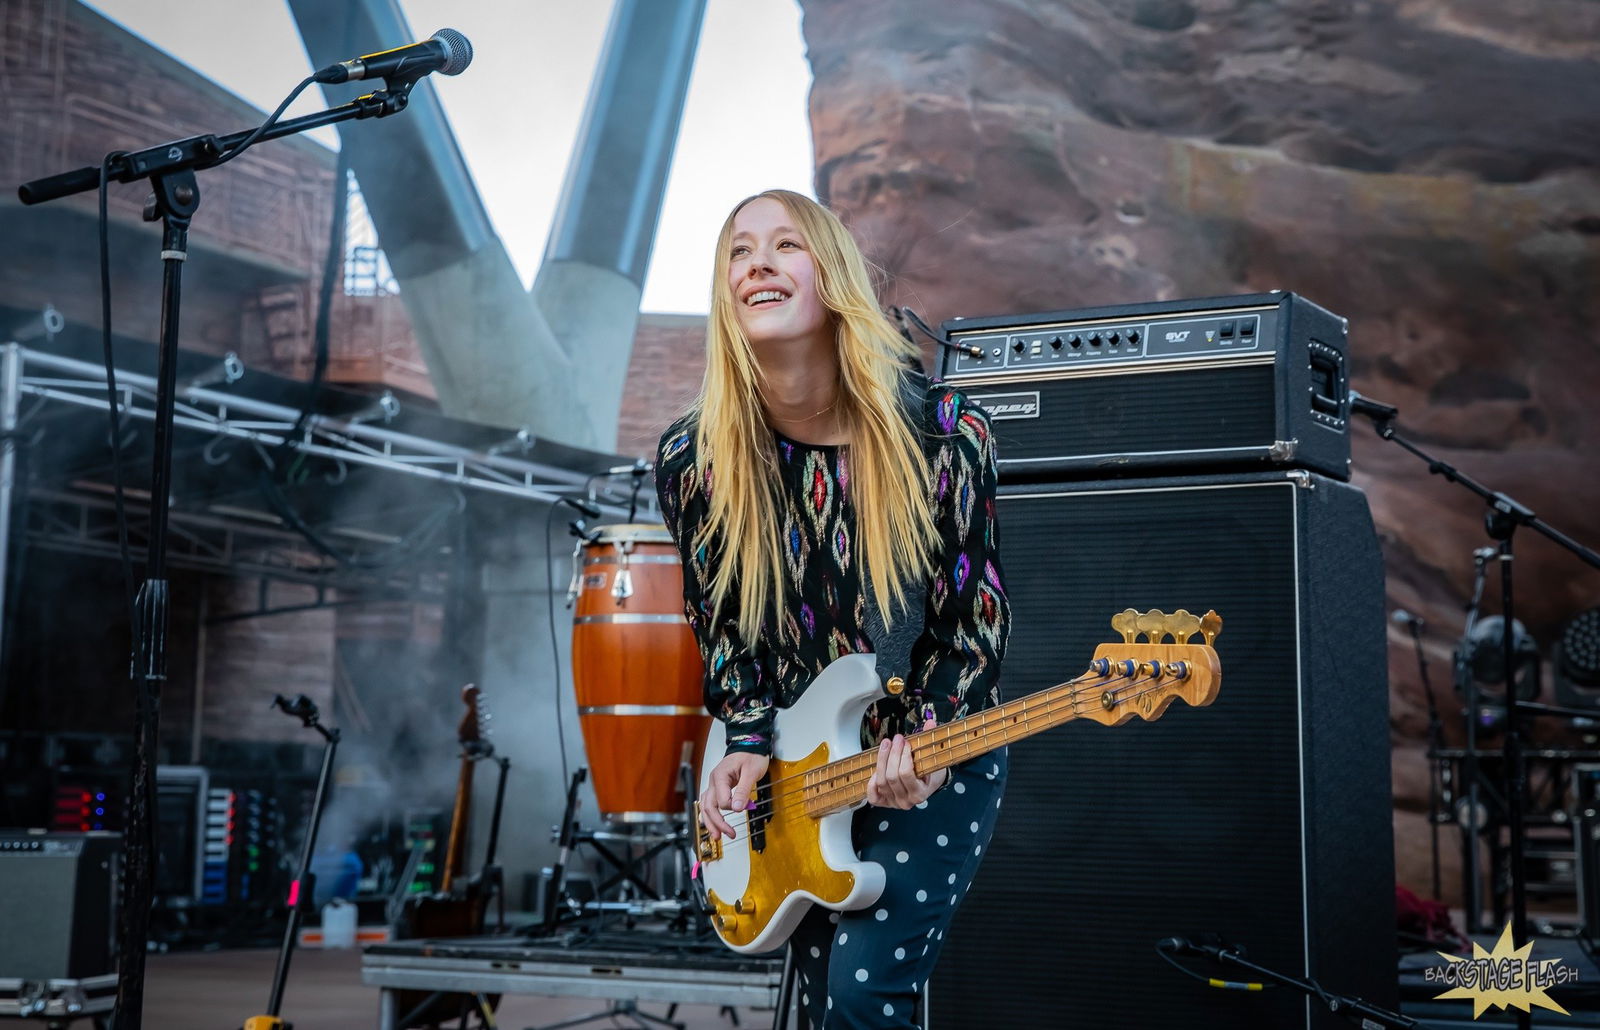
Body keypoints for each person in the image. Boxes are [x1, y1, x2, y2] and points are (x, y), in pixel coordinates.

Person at [654, 189, 1009, 1028]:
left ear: (835, 274)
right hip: (797, 769)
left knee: (861, 994)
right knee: (824, 1007)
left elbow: (973, 623)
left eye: (787, 244)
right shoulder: (694, 458)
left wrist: (926, 738)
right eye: (739, 251)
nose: (758, 264)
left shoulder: (942, 433)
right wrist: (746, 741)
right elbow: (722, 628)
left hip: (933, 751)